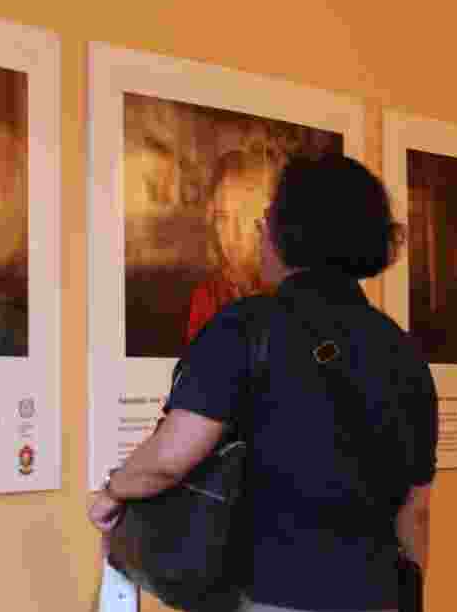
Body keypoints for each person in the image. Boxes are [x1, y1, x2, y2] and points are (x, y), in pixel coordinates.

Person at [90, 154, 438, 612]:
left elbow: (169, 460)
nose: (258, 232)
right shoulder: (404, 352)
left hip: (272, 594)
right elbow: (415, 511)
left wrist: (113, 493)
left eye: (266, 217)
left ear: (286, 233)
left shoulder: (246, 328)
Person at [185, 150, 274, 344]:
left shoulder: (291, 290)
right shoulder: (208, 297)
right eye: (222, 217)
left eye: (243, 215)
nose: (231, 233)